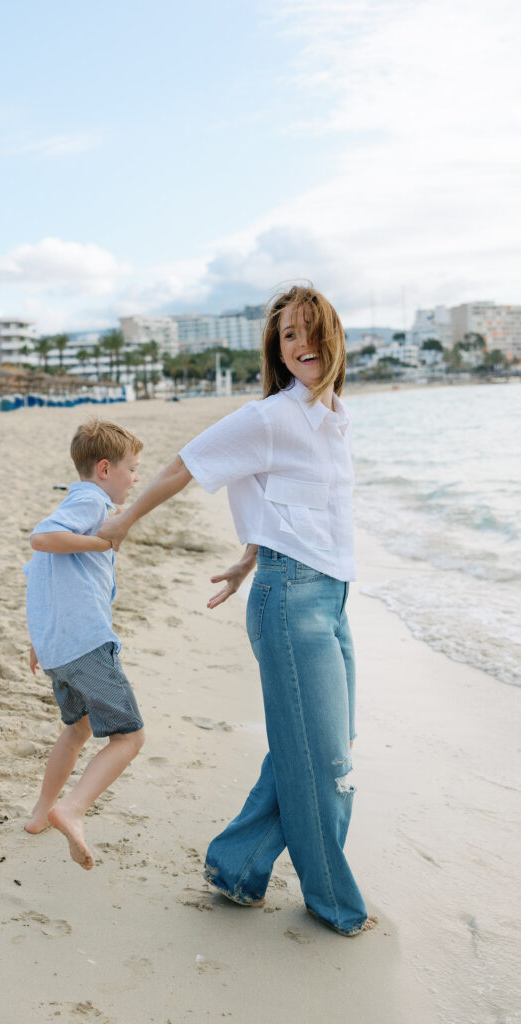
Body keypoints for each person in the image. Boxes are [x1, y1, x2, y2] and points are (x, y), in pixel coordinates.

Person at [97, 284, 376, 936]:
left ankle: (236, 865)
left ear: (332, 336)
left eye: (310, 330)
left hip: (331, 600)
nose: (301, 344)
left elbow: (298, 507)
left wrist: (249, 552)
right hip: (290, 605)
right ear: (276, 351)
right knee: (325, 762)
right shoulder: (270, 416)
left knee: (312, 748)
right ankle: (336, 904)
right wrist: (124, 520)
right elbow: (183, 465)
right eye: (287, 336)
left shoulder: (334, 416)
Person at [22, 419, 144, 871]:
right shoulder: (90, 499)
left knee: (78, 730)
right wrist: (99, 542)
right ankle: (71, 809)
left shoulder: (87, 502)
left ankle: (39, 815)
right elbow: (41, 538)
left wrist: (38, 639)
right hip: (86, 644)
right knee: (130, 737)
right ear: (105, 468)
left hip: (58, 650)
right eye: (133, 469)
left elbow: (38, 574)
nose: (136, 478)